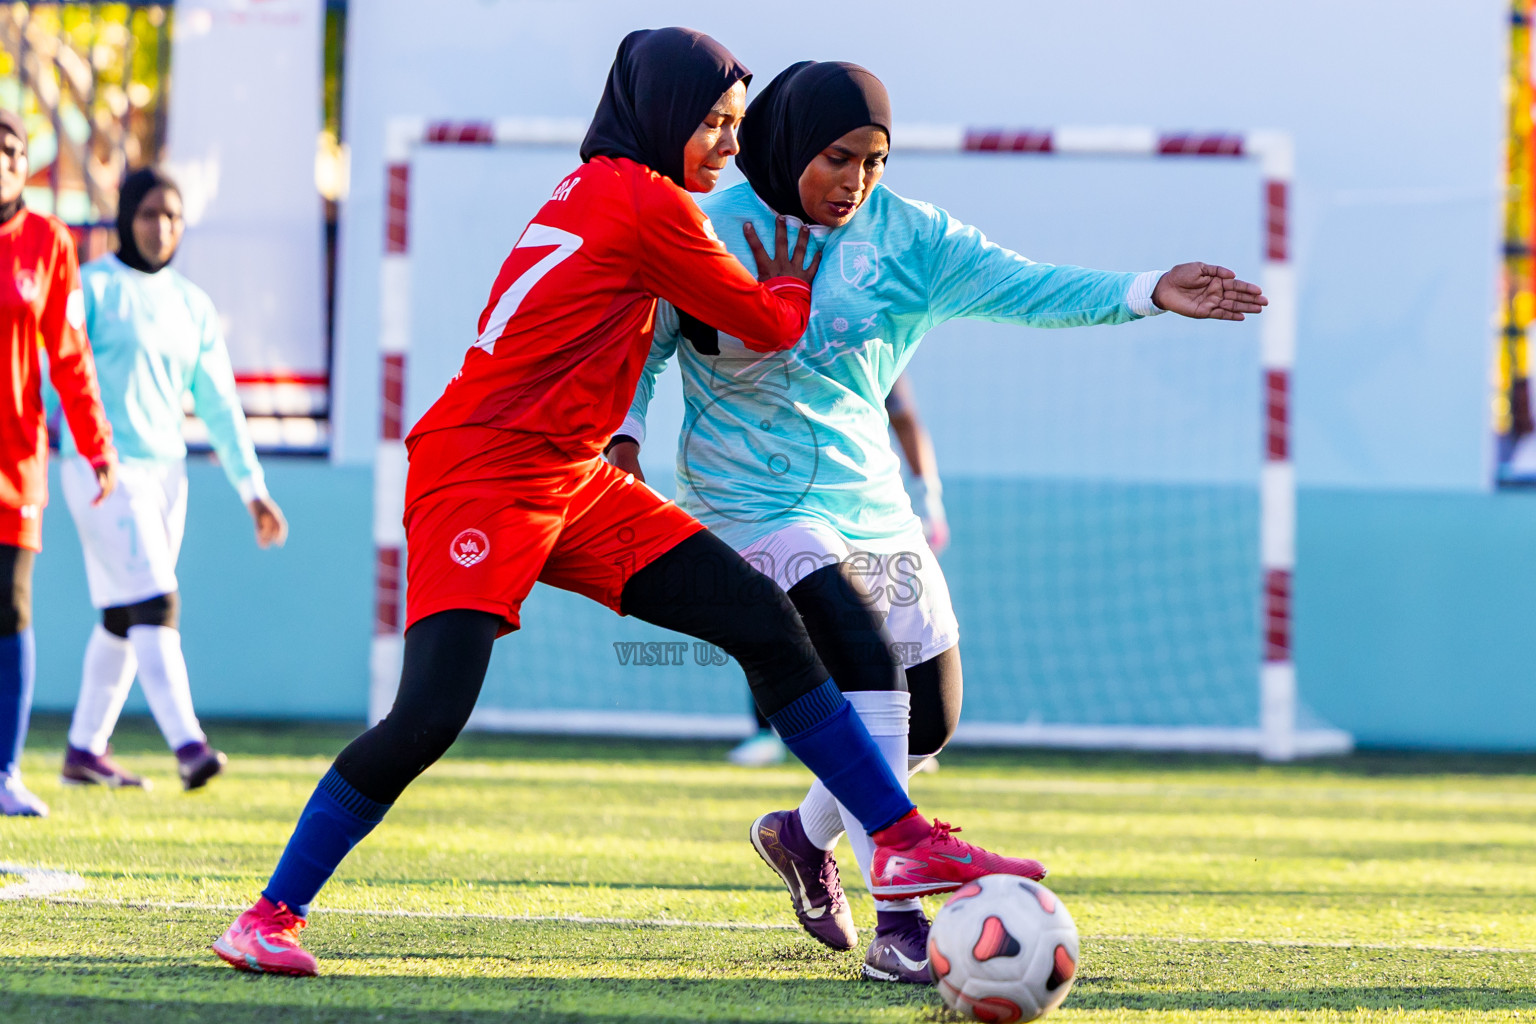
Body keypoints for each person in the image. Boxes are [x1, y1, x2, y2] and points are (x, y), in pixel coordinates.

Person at [211, 29, 1046, 979]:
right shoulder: (647, 201)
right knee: (428, 717)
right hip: (483, 472)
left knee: (767, 625)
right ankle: (269, 914)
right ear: (660, 117)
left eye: (738, 127)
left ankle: (894, 837)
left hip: (573, 474)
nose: (731, 148)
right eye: (716, 126)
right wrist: (786, 276)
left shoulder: (605, 184)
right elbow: (770, 324)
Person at [608, 60, 1266, 982]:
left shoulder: (910, 238)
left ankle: (799, 836)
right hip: (745, 503)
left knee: (929, 722)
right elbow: (641, 350)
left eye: (876, 161)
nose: (858, 182)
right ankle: (901, 925)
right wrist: (624, 439)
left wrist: (1149, 289)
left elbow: (1025, 286)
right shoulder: (705, 231)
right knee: (864, 656)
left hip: (869, 500)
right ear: (792, 140)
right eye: (839, 158)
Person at [53, 168, 288, 793]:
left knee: (125, 614)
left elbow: (218, 403)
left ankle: (83, 749)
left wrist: (252, 487)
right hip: (100, 466)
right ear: (126, 217)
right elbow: (61, 372)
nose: (162, 227)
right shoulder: (94, 287)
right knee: (157, 599)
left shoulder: (192, 304)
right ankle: (189, 745)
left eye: (173, 216)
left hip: (167, 475)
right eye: (150, 214)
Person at [722, 371, 944, 769]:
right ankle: (767, 730)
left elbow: (905, 417)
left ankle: (896, 731)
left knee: (875, 617)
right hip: (785, 506)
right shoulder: (777, 353)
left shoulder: (868, 340)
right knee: (779, 615)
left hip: (862, 509)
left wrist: (930, 500)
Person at [0, 109, 118, 817]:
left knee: (9, 606)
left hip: (15, 461)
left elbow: (69, 355)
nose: (2, 159)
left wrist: (96, 441)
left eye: (11, 148)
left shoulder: (48, 243)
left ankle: (5, 771)